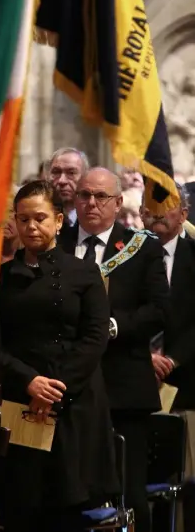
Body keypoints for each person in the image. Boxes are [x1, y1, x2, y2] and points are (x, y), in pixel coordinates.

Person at [0, 180, 118, 532]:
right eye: (23, 219)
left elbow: (95, 336)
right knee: (23, 506)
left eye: (39, 218)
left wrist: (56, 388)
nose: (31, 227)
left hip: (75, 403)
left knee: (70, 507)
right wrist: (28, 381)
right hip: (21, 403)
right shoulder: (1, 277)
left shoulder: (83, 272)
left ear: (59, 221)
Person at [61, 167, 170, 532]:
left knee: (127, 489)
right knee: (68, 489)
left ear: (119, 201)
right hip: (66, 386)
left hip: (122, 384)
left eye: (101, 196)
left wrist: (112, 327)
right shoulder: (55, 242)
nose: (91, 203)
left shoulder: (141, 247)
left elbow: (158, 309)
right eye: (84, 195)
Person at [141, 184, 195, 532]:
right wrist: (146, 356)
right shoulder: (127, 253)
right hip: (136, 379)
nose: (157, 213)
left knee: (188, 483)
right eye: (150, 206)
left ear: (184, 214)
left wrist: (172, 359)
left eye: (168, 205)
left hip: (189, 385)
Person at [48, 147, 89, 227]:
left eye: (71, 173)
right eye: (56, 172)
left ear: (85, 177)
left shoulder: (97, 225)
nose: (62, 181)